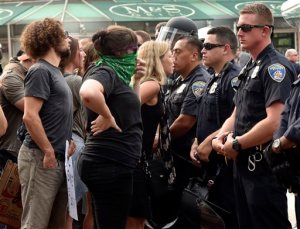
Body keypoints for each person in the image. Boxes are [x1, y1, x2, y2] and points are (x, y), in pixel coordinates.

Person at [212, 3, 296, 228]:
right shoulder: (250, 65)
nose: (240, 32)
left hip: (262, 166)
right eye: (238, 27)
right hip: (243, 165)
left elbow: (275, 121)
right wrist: (220, 137)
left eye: (246, 28)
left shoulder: (275, 67)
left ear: (265, 30)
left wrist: (237, 144)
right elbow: (238, 111)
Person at [78, 25, 143, 229]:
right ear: (121, 51)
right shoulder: (105, 70)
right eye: (135, 49)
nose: (137, 54)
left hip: (111, 163)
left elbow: (131, 111)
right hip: (109, 164)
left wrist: (137, 81)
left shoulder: (114, 72)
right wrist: (107, 116)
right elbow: (88, 92)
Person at [17, 18, 75, 229]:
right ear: (50, 38)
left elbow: (54, 114)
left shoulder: (54, 71)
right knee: (35, 223)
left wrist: (65, 142)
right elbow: (29, 115)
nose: (68, 38)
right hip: (40, 157)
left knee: (55, 223)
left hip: (55, 157)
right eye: (64, 33)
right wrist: (48, 150)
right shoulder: (40, 70)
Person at [189, 26, 240, 228]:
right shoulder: (213, 76)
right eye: (203, 46)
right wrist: (195, 142)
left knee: (227, 218)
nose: (203, 50)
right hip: (209, 164)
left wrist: (209, 143)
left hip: (225, 164)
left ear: (226, 48)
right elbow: (203, 116)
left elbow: (236, 118)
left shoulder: (234, 77)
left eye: (208, 46)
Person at [126, 40, 174, 229]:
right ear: (158, 60)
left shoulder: (153, 85)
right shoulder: (151, 85)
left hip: (138, 158)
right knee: (135, 220)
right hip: (135, 161)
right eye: (170, 55)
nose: (173, 59)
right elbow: (126, 109)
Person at [165, 35, 210, 228]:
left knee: (186, 212)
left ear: (194, 55)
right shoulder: (179, 80)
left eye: (177, 51)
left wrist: (161, 140)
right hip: (174, 156)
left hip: (186, 158)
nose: (173, 56)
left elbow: (186, 121)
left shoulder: (199, 80)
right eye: (172, 52)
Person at [59, 36, 94, 229]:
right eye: (79, 50)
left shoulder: (59, 77)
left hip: (67, 144)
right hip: (74, 143)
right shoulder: (74, 80)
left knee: (68, 208)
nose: (83, 54)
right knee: (72, 211)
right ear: (71, 54)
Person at [0, 51, 34, 168]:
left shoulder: (26, 74)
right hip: (11, 150)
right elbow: (32, 109)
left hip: (19, 149)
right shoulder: (11, 76)